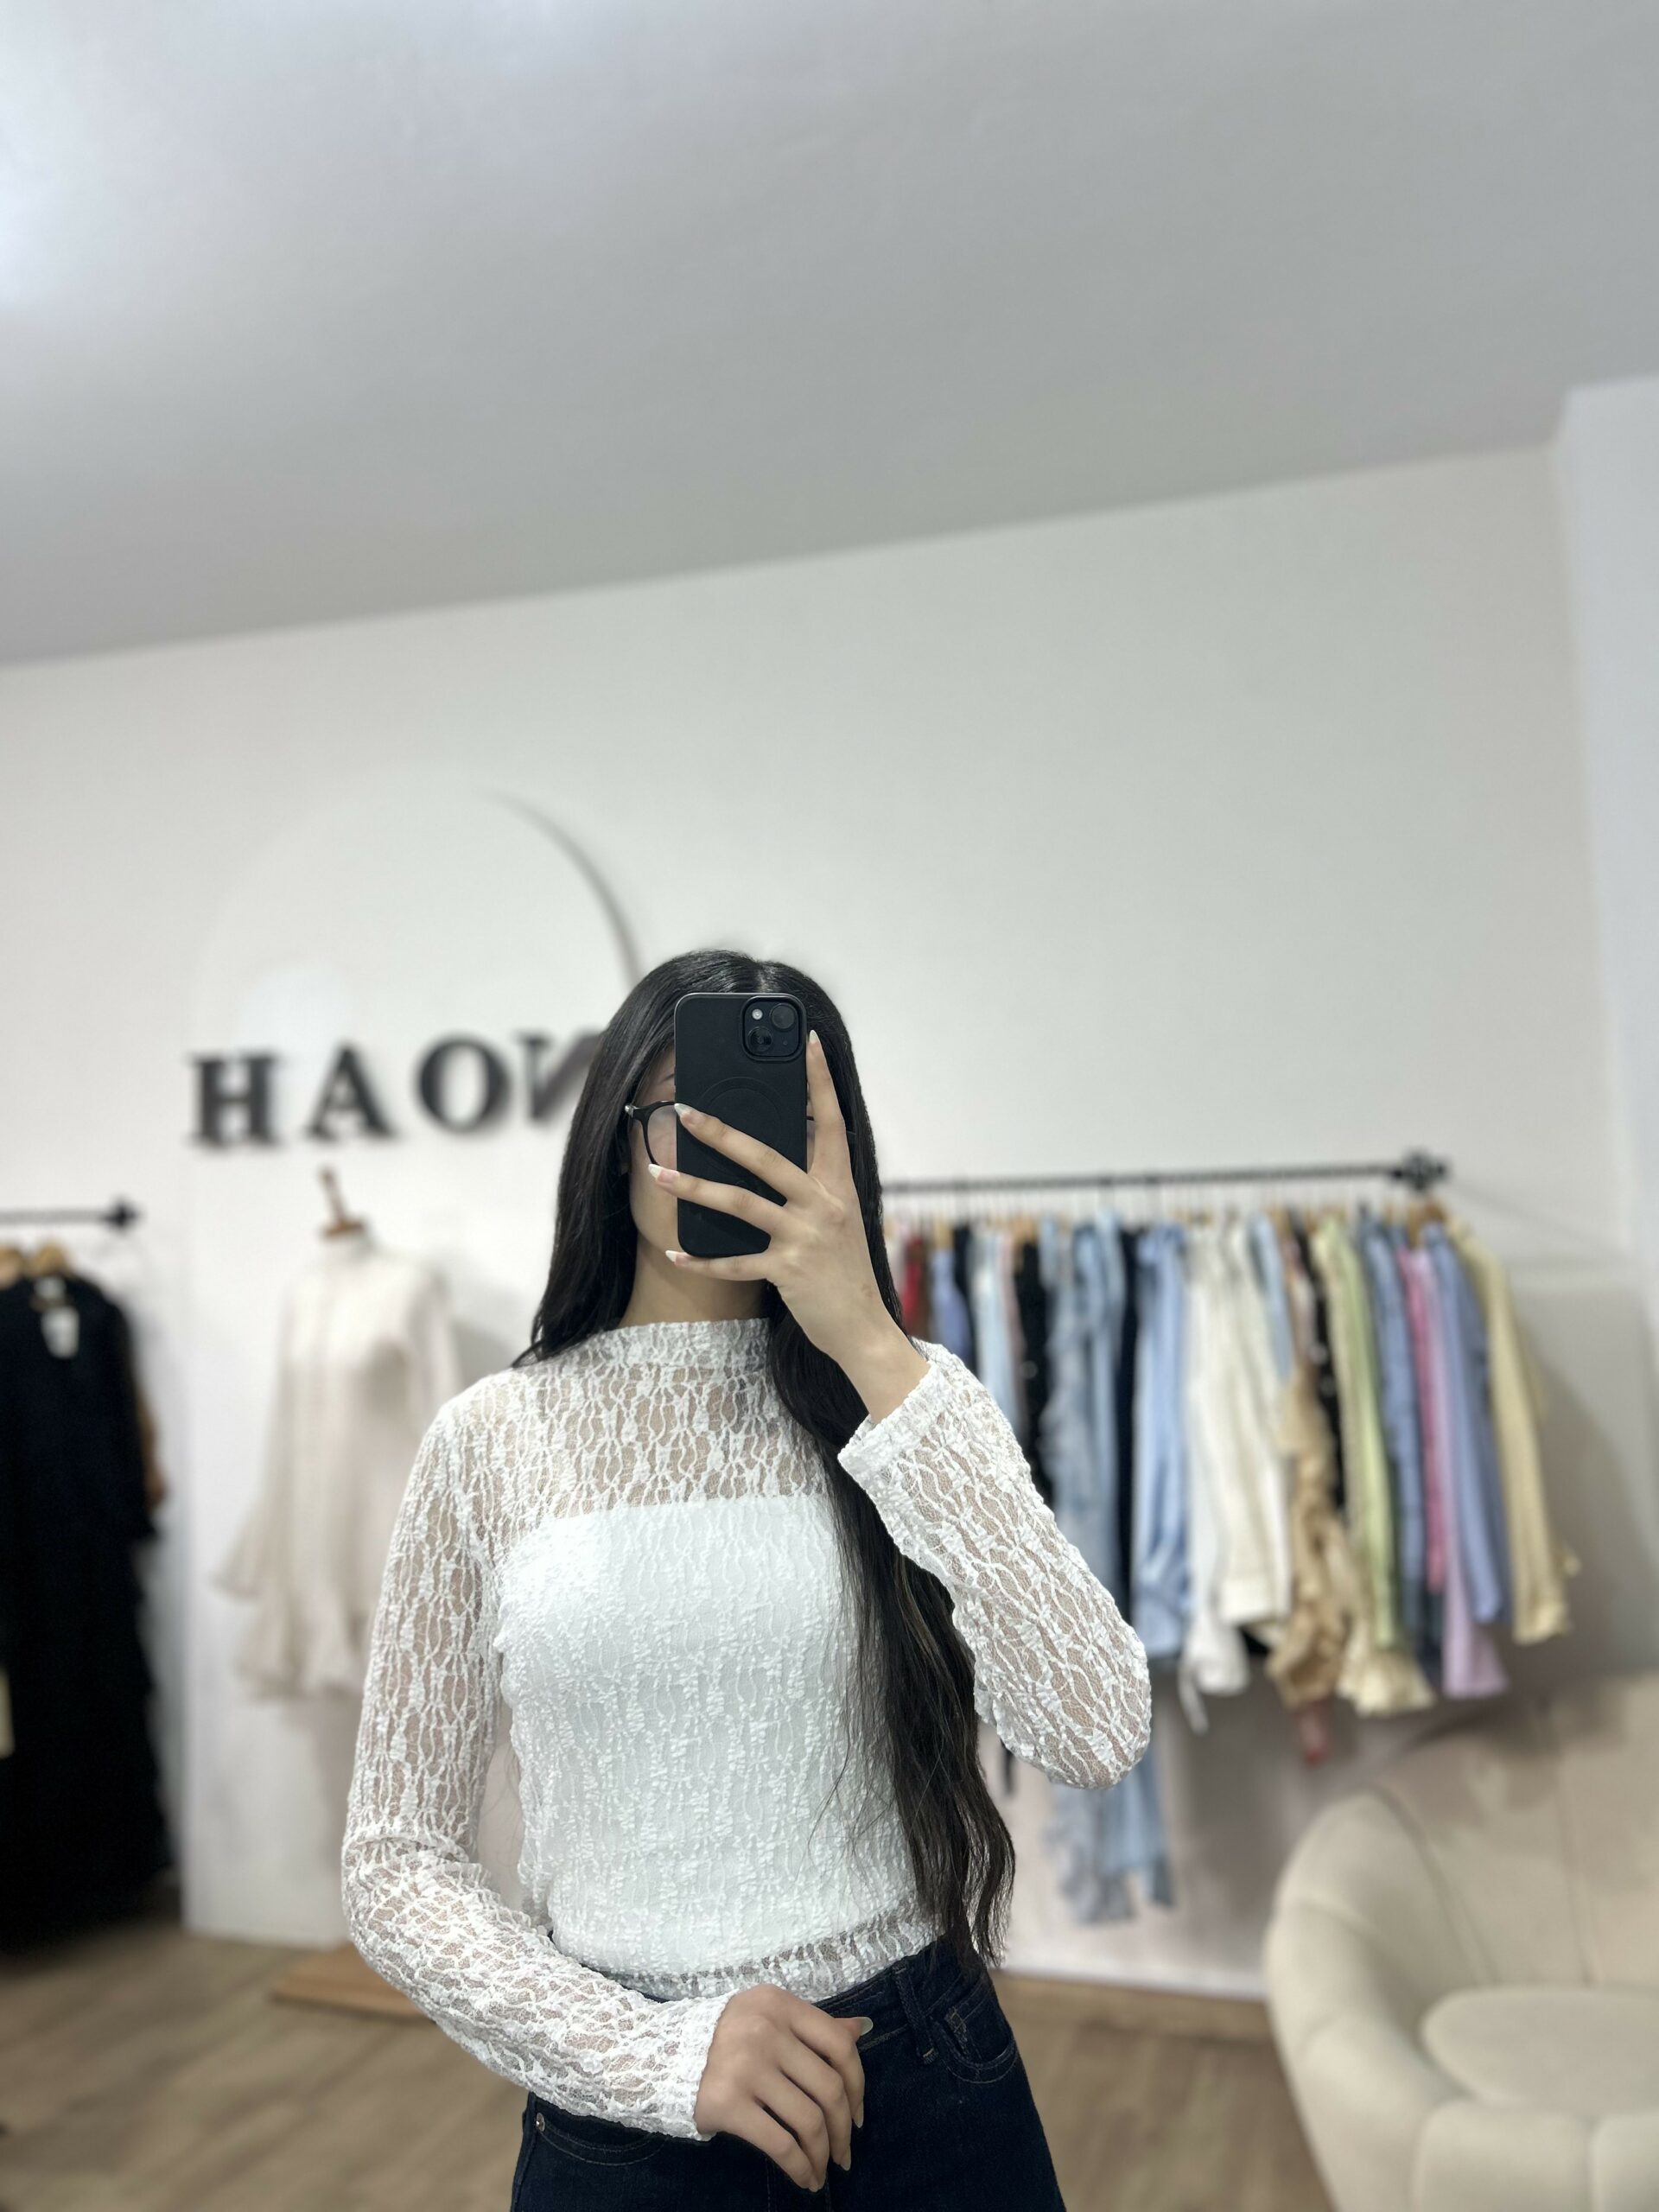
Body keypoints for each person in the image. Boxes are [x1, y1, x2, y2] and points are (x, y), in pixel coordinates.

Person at [341, 949, 1153, 2209]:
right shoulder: (489, 1441)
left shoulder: (906, 1399)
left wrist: (868, 1337)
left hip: (922, 2080)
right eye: (687, 1117)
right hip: (626, 2117)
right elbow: (396, 1860)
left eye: (770, 1123)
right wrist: (652, 2055)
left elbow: (1095, 1728)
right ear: (615, 1142)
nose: (726, 1155)